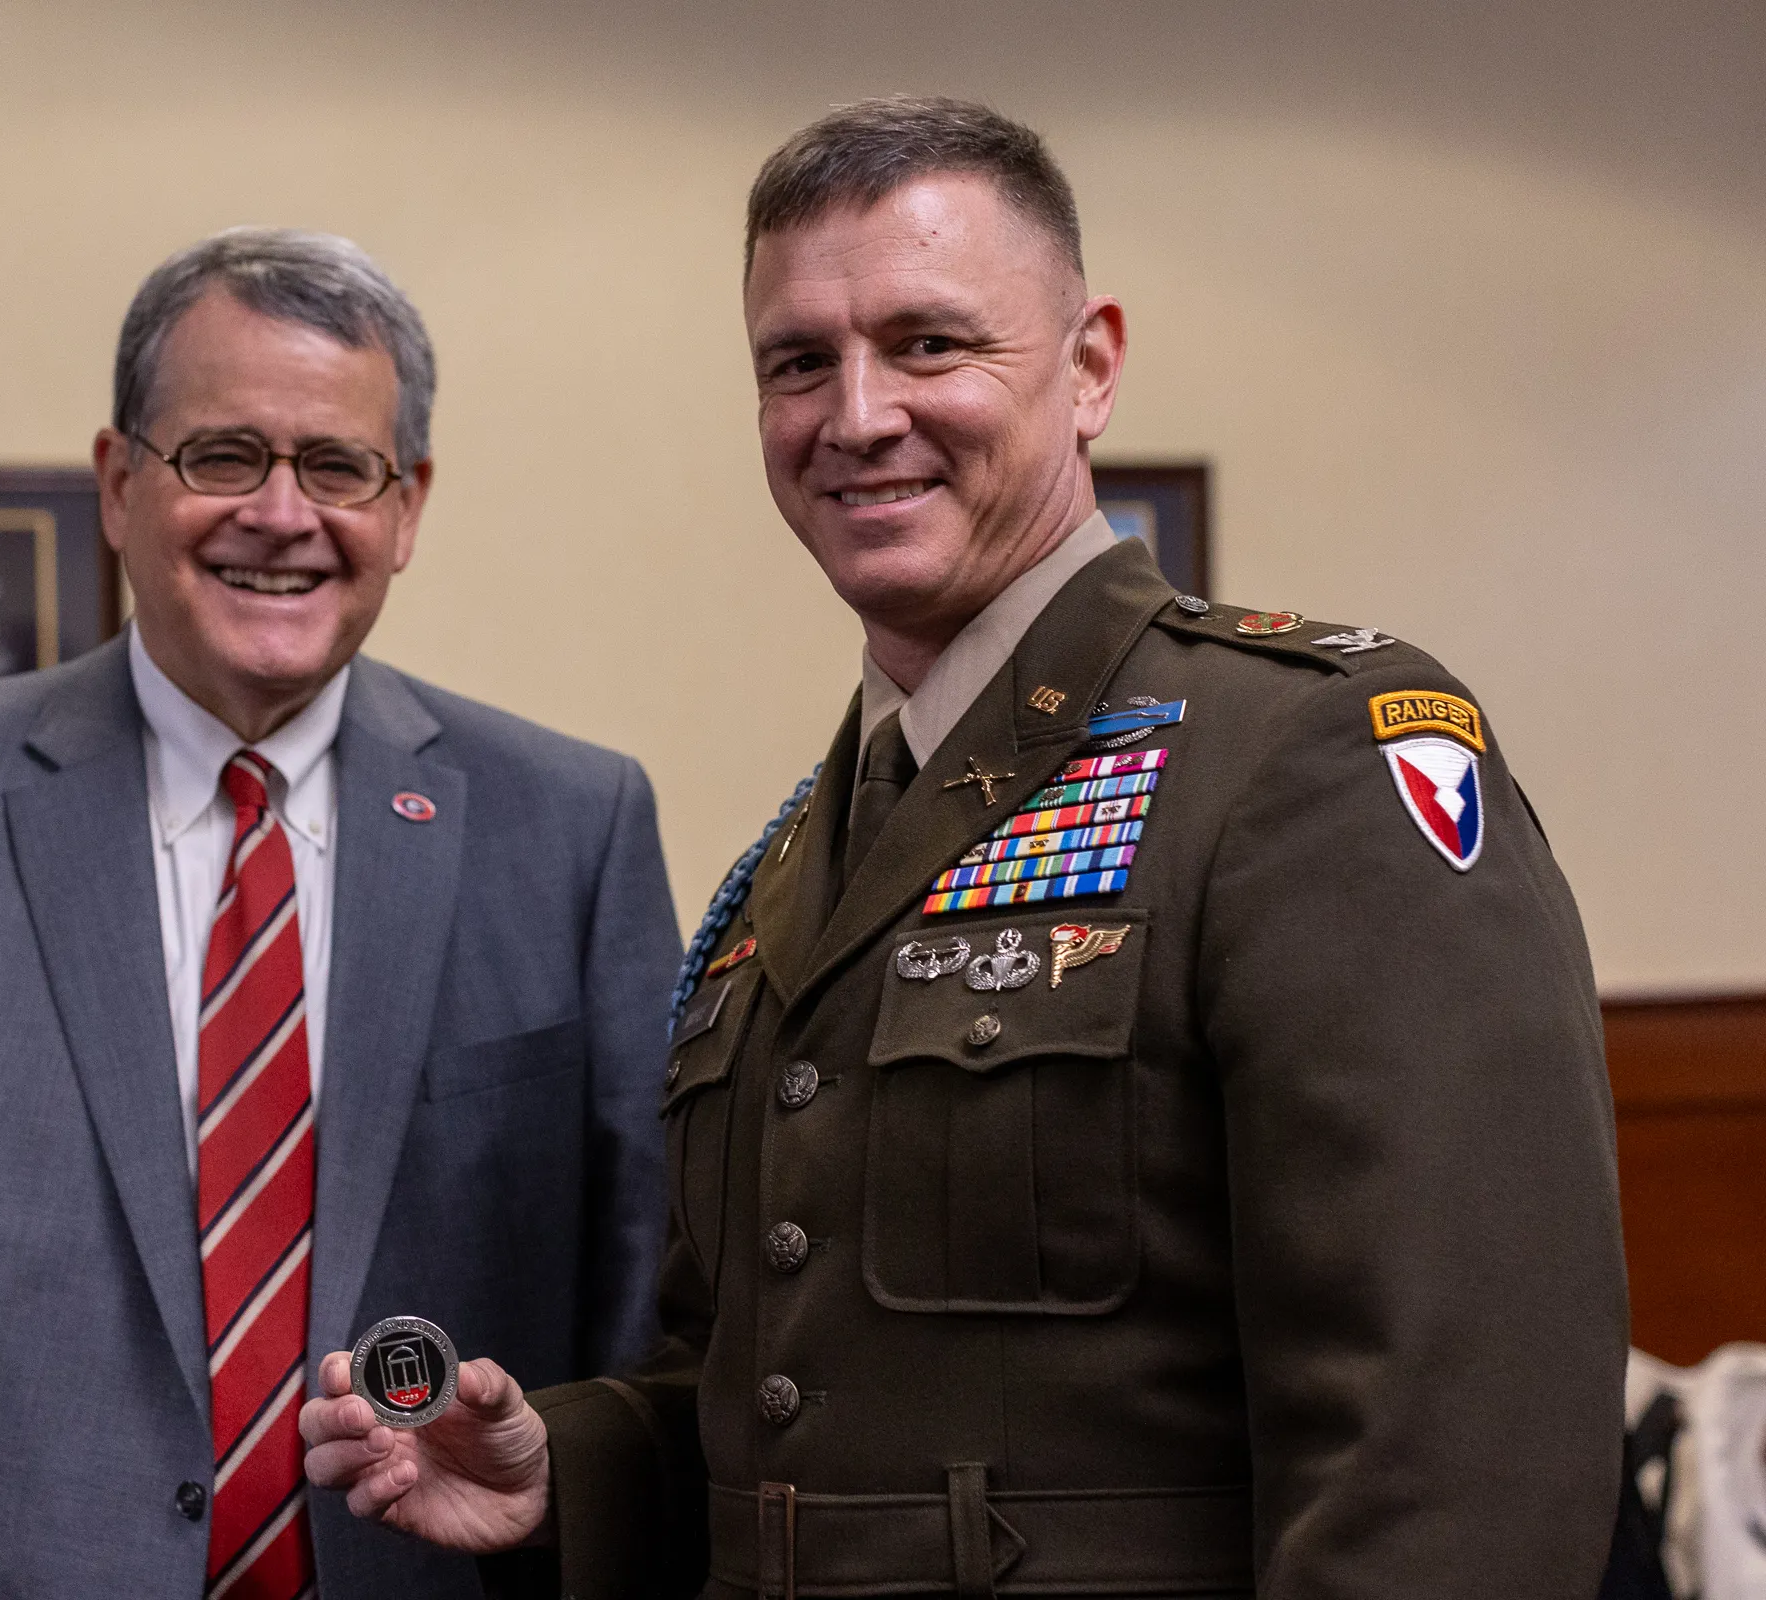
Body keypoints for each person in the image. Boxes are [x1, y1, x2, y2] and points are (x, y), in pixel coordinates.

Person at [301, 98, 1629, 1597]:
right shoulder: (797, 864)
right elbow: (785, 1407)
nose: (856, 415)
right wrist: (570, 1467)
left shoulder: (1302, 757)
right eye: (798, 362)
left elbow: (1454, 1456)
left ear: (1092, 365)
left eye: (930, 344)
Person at [0, 227, 679, 1600]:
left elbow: (643, 1312)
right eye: (224, 456)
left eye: (338, 466)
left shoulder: (572, 828)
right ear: (116, 485)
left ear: (408, 506)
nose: (283, 514)